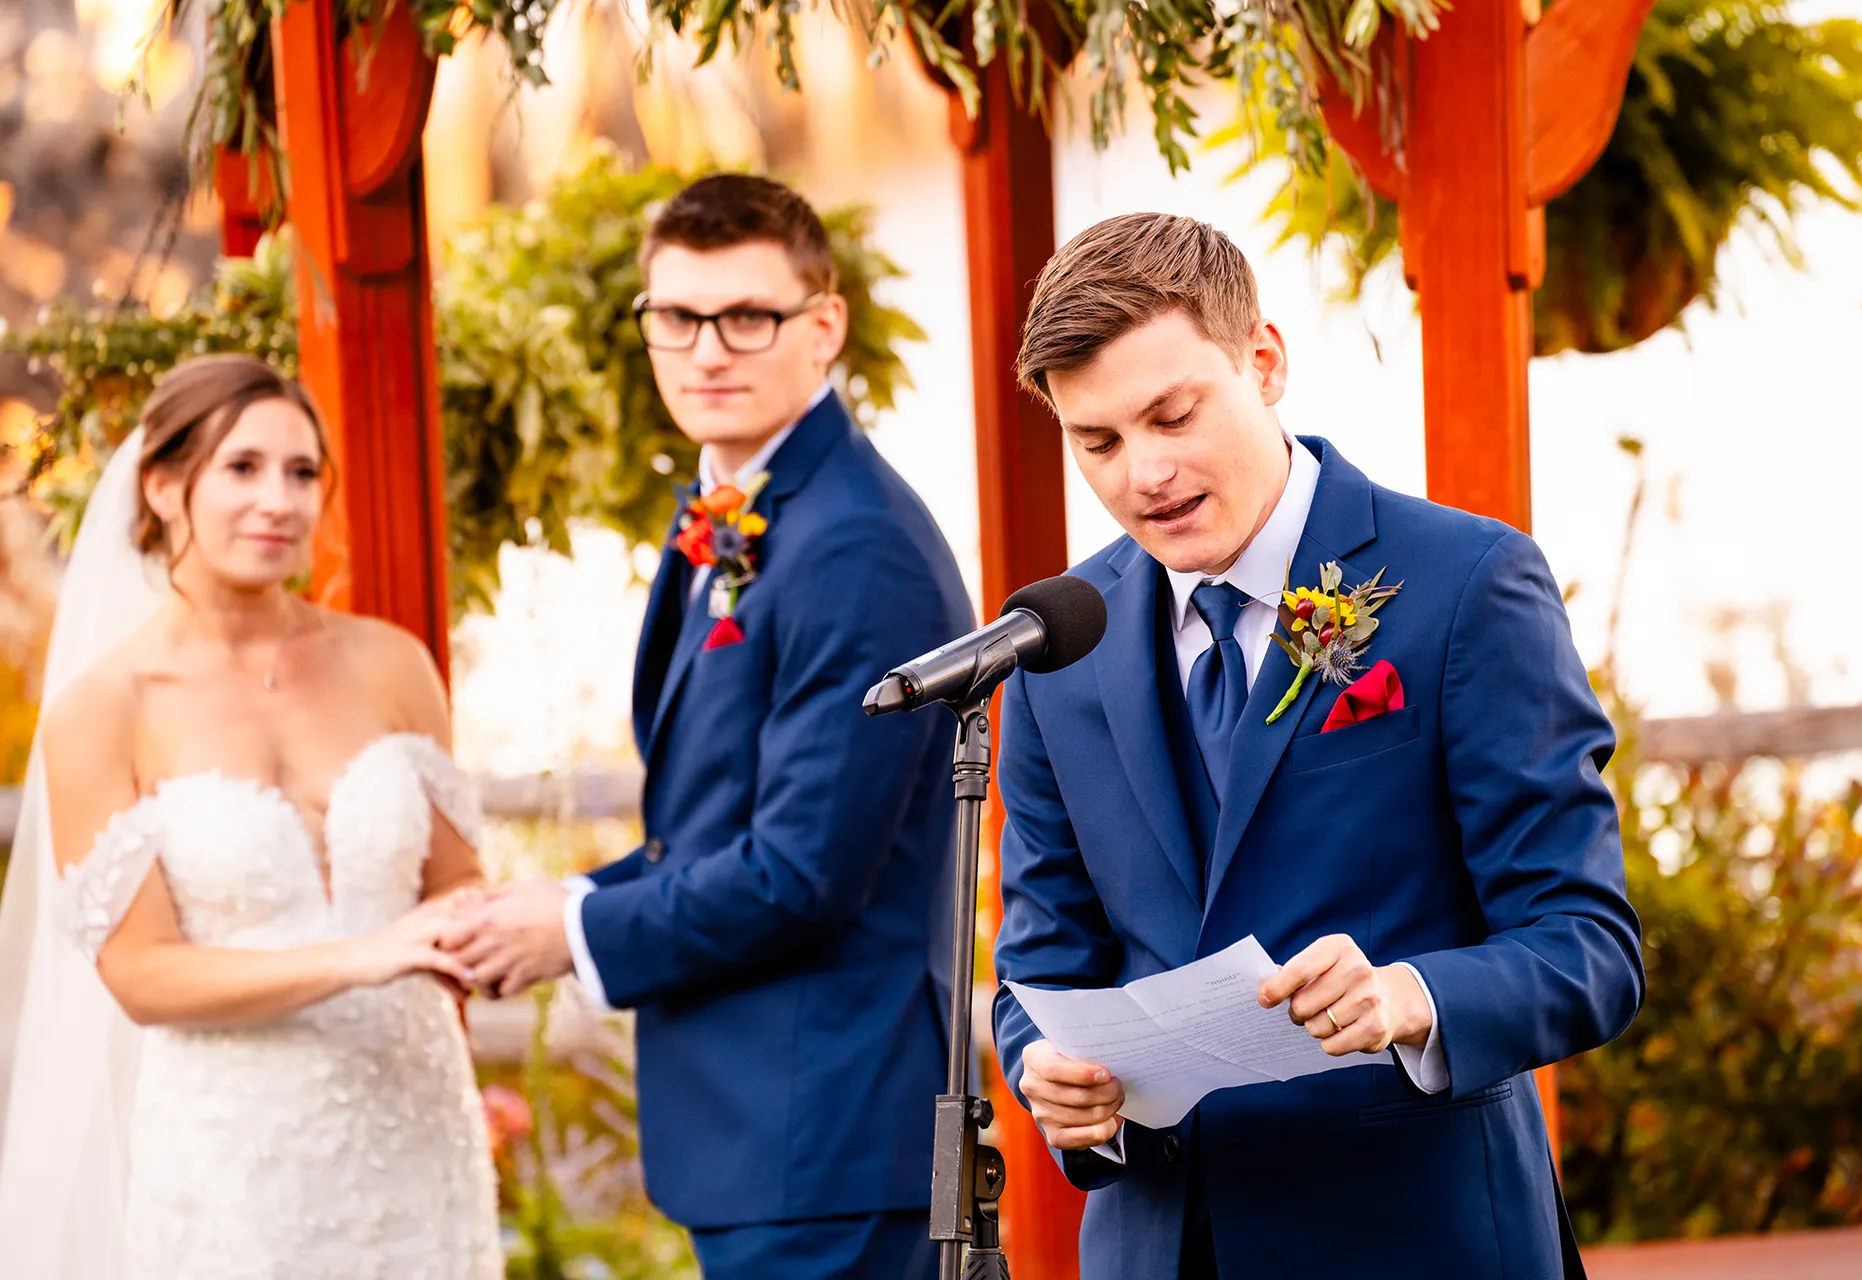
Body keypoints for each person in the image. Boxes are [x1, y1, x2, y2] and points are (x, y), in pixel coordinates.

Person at [991, 213, 1645, 1279]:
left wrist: (1409, 995)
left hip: (1416, 1238)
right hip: (1160, 1246)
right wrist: (1052, 1075)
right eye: (1097, 441)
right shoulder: (1060, 640)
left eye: (1172, 415)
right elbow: (1041, 967)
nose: (1142, 473)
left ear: (1265, 360)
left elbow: (1589, 945)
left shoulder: (1469, 584)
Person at [440, 174, 975, 1280]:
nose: (706, 351)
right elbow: (712, 826)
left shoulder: (853, 545)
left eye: (747, 316)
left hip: (824, 1139)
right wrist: (565, 900)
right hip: (759, 1141)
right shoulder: (737, 508)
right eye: (675, 318)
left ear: (823, 325)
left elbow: (802, 871)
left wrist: (574, 936)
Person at [0, 354, 502, 1278]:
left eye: (302, 472)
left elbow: (455, 883)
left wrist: (516, 932)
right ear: (161, 486)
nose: (279, 499)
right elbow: (142, 974)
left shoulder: (393, 663)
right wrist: (364, 956)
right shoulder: (104, 710)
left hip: (417, 1130)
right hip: (238, 1154)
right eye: (243, 468)